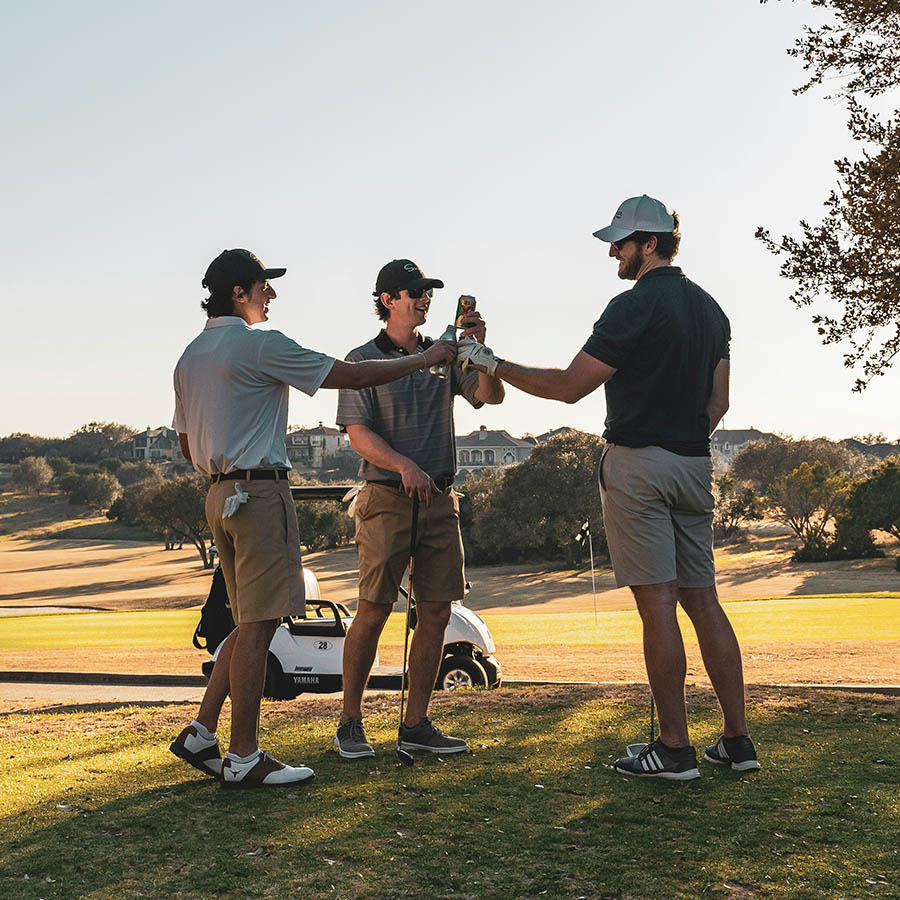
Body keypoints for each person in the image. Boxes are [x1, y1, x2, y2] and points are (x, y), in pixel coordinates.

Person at [458, 196, 759, 780]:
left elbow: (570, 387)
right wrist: (683, 439)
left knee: (657, 606)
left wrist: (490, 362)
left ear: (649, 244)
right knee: (704, 601)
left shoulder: (633, 305)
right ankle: (737, 742)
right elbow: (719, 402)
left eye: (619, 243)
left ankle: (674, 750)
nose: (612, 253)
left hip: (638, 466)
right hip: (696, 465)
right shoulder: (712, 310)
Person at [169, 249, 456, 788]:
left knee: (247, 620)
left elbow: (187, 444)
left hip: (218, 494)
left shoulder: (190, 356)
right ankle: (245, 756)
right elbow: (347, 374)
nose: (270, 295)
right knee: (260, 626)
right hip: (259, 495)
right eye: (262, 286)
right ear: (238, 292)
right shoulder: (259, 344)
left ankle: (202, 733)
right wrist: (423, 359)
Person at [333, 259, 504, 759]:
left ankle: (416, 724)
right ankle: (349, 722)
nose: (424, 299)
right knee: (373, 609)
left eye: (427, 292)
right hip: (386, 498)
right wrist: (404, 465)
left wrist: (482, 354)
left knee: (436, 611)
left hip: (439, 500)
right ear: (387, 300)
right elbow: (358, 435)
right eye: (414, 292)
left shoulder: (445, 354)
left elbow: (489, 398)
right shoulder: (361, 359)